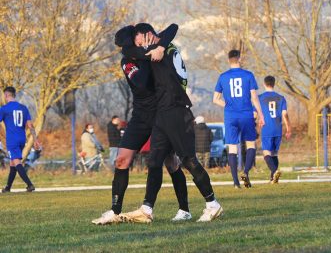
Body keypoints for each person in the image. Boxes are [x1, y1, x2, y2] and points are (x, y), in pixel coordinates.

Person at [119, 23, 222, 223]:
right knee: (155, 161)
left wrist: (157, 47)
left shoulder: (156, 51)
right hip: (162, 115)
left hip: (176, 111)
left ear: (147, 36)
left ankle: (212, 203)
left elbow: (130, 50)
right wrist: (160, 44)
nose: (137, 46)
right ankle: (146, 209)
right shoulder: (162, 47)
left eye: (139, 41)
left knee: (189, 161)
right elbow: (170, 29)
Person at [92, 24, 191, 225]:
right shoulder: (128, 60)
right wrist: (147, 53)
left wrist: (160, 46)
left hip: (162, 113)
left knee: (171, 163)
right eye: (137, 41)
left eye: (142, 39)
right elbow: (142, 82)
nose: (142, 43)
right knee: (121, 160)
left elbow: (172, 28)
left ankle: (184, 210)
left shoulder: (153, 47)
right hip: (141, 116)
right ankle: (114, 211)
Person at [213, 50, 265, 188]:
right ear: (239, 59)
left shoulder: (223, 76)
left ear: (228, 60)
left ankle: (236, 182)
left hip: (230, 116)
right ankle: (246, 172)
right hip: (246, 114)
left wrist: (228, 105)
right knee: (250, 144)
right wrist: (261, 114)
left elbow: (215, 99)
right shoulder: (248, 75)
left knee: (232, 148)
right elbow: (254, 97)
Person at [1, 87, 40, 193]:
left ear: (6, 95)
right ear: (14, 95)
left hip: (12, 140)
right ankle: (8, 187)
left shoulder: (4, 109)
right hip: (22, 139)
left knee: (17, 162)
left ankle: (30, 184)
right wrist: (35, 139)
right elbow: (30, 125)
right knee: (12, 163)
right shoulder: (23, 108)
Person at [255, 76, 291, 184]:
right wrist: (289, 128)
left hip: (267, 128)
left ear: (264, 84)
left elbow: (254, 114)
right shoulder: (281, 98)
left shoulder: (259, 98)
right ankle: (273, 179)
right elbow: (285, 114)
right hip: (277, 128)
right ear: (274, 83)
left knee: (266, 153)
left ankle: (275, 171)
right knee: (274, 154)